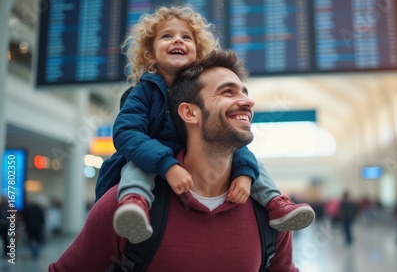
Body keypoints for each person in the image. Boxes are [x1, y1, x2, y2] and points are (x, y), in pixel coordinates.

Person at [49, 50, 298, 271]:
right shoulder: (124, 207)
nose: (248, 101)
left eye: (244, 92)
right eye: (227, 92)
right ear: (189, 112)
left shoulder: (269, 214)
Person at [107, 5, 314, 244]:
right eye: (167, 36)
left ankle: (274, 203)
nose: (178, 40)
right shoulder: (144, 91)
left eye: (186, 37)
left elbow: (232, 143)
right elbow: (126, 132)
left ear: (197, 53)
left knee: (246, 155)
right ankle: (134, 205)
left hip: (193, 156)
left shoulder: (201, 93)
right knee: (137, 165)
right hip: (154, 157)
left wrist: (245, 175)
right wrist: (167, 165)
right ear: (151, 54)